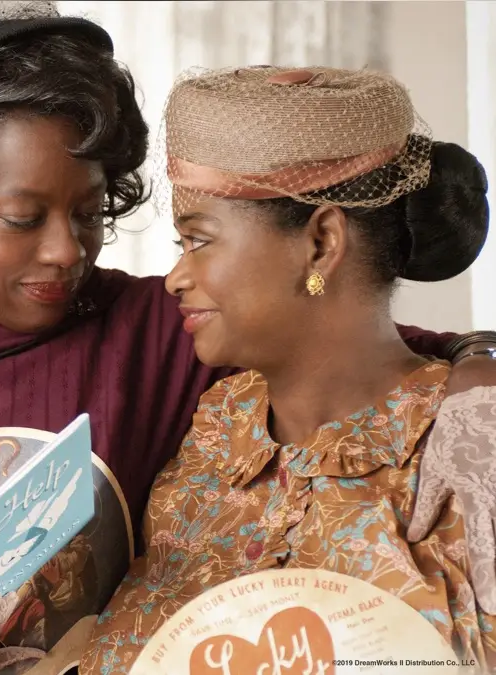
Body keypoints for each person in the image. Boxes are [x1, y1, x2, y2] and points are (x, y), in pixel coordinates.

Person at [0, 5, 496, 675]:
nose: (66, 251)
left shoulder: (157, 332)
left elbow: (349, 338)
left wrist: (477, 363)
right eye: (23, 217)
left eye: (87, 212)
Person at [80, 65, 495, 673]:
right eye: (179, 246)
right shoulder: (218, 424)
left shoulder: (470, 449)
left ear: (321, 243)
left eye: (199, 240)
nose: (175, 278)